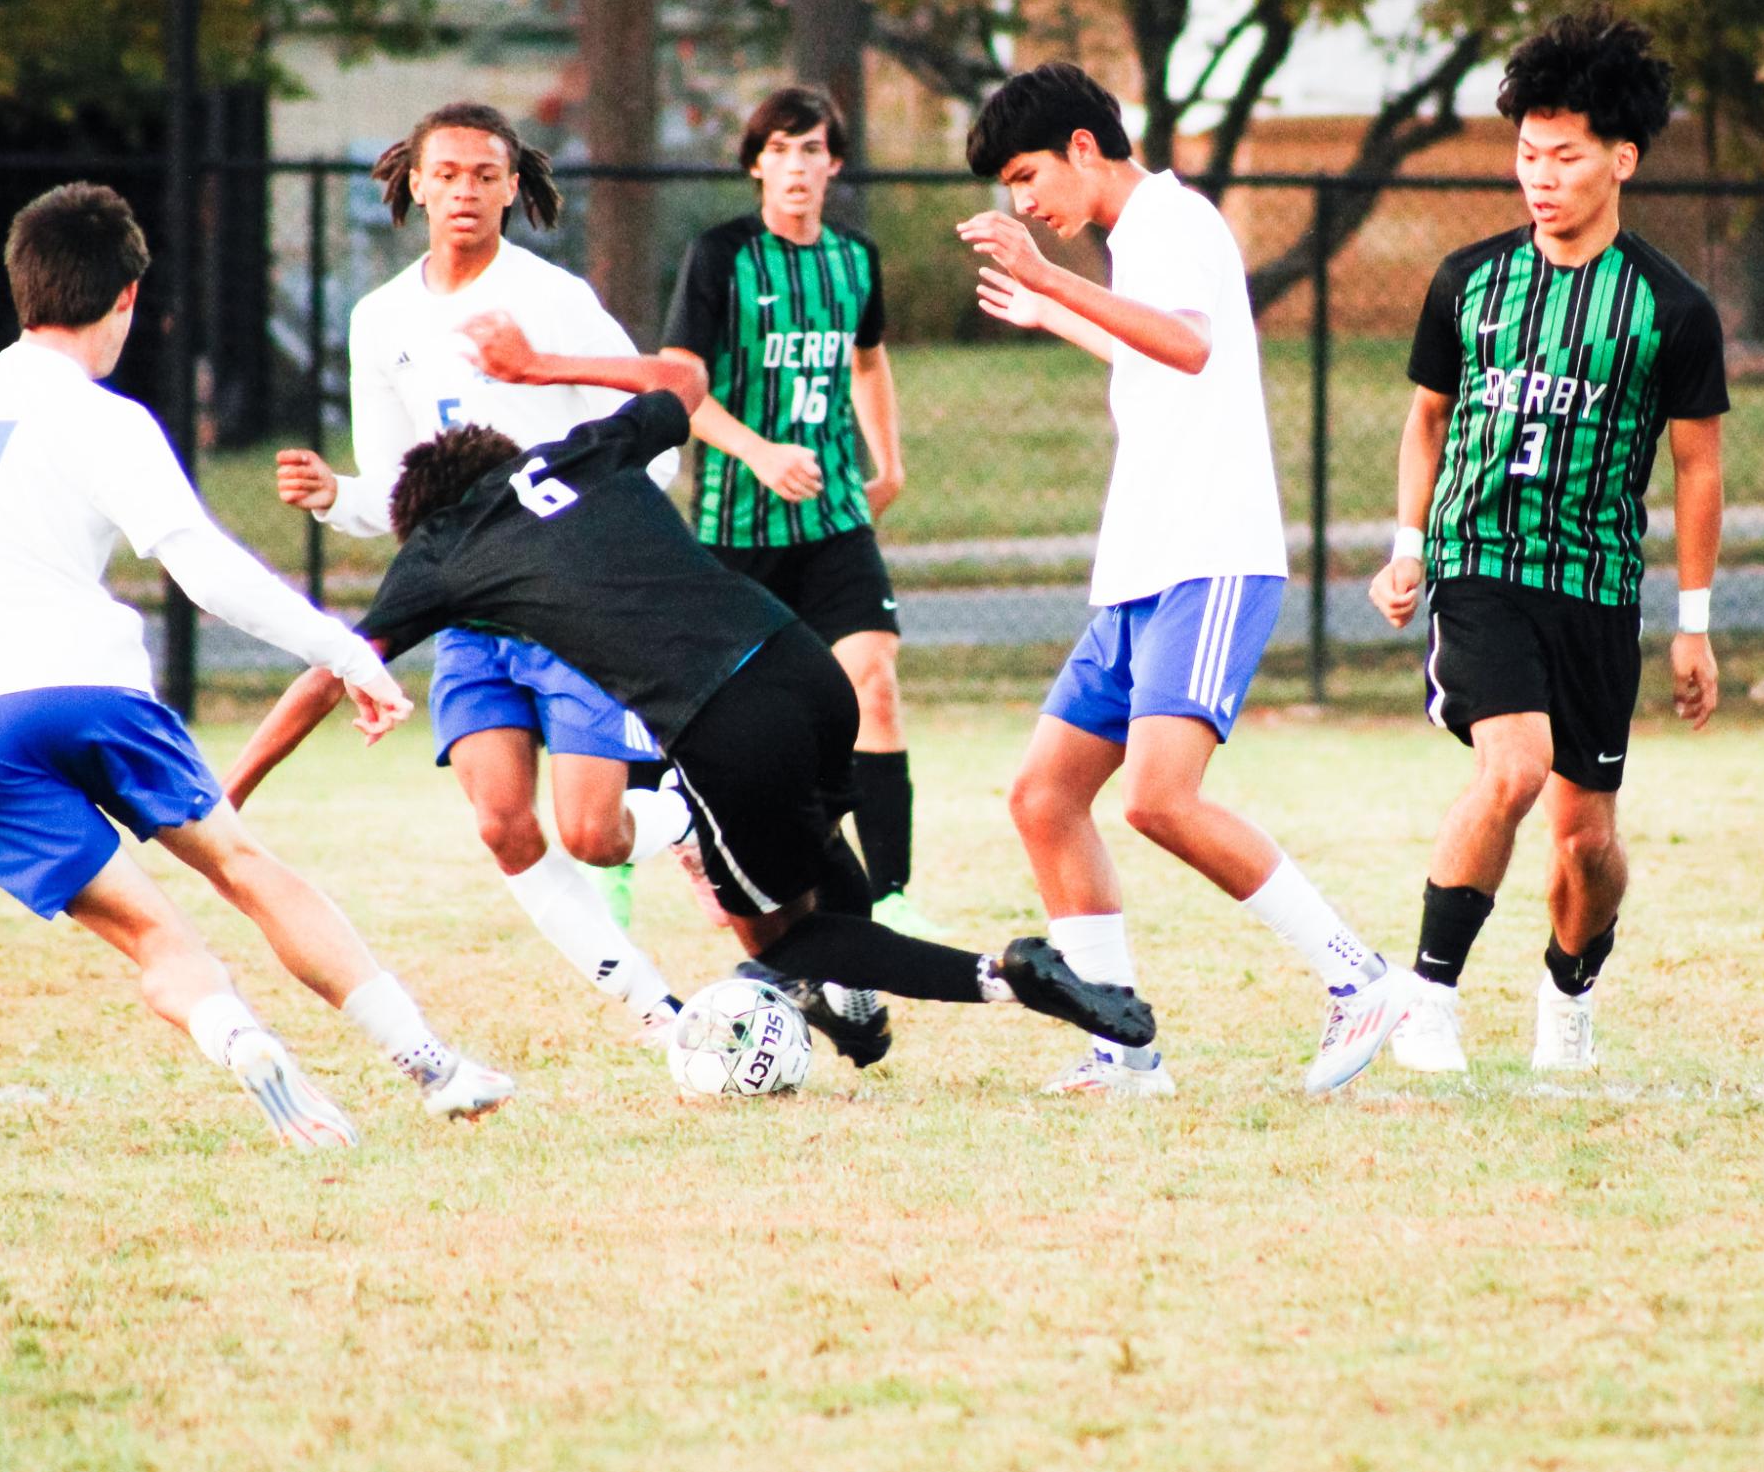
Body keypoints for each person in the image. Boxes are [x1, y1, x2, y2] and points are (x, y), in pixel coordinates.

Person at [224, 320, 1156, 1071]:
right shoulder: (579, 453)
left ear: (417, 518)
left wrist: (230, 796)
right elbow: (685, 378)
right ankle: (860, 1014)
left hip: (721, 723)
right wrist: (544, 363)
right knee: (810, 853)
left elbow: (328, 666)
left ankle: (1012, 977)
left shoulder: (439, 550)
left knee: (785, 940)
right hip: (804, 667)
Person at [0, 183, 511, 1147]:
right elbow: (208, 573)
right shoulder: (110, 420)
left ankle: (237, 1038)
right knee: (242, 866)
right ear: (126, 299)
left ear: (22, 287)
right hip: (91, 689)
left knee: (151, 934)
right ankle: (432, 1064)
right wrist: (346, 650)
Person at [958, 62, 1411, 1097]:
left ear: (1084, 145)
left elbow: (1191, 345)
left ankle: (1360, 979)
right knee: (1043, 796)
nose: (1024, 204)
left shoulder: (1172, 221)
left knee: (1160, 799)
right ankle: (1124, 1051)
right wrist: (1058, 313)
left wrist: (1048, 278)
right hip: (1141, 568)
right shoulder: (1138, 242)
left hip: (1210, 558)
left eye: (1028, 176)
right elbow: (1147, 351)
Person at [274, 103, 694, 1042]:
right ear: (414, 182)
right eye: (448, 173)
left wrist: (588, 521)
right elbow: (397, 487)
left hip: (573, 600)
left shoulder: (552, 300)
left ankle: (690, 818)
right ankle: (656, 1011)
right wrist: (333, 493)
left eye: (484, 175)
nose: (464, 190)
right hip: (472, 602)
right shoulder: (379, 318)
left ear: (513, 188)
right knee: (503, 824)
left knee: (594, 833)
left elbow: (655, 424)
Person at [1370, 7, 1727, 1075]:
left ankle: (1571, 987)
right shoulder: (1467, 283)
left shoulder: (1671, 308)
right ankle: (1426, 996)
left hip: (1598, 592)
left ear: (1620, 159)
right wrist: (1407, 544)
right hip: (1484, 570)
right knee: (1513, 769)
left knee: (1588, 846)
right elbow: (1427, 417)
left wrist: (1692, 626)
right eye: (1528, 152)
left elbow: (1699, 465)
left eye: (1564, 155)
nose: (1541, 174)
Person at [660, 87, 932, 936]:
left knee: (873, 687)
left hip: (833, 528)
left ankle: (891, 897)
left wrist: (886, 460)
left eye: (812, 150)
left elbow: (869, 362)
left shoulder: (853, 259)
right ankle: (659, 857)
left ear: (834, 165)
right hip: (735, 530)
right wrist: (759, 453)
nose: (797, 166)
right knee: (727, 725)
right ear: (755, 165)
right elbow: (678, 390)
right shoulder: (721, 257)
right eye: (780, 150)